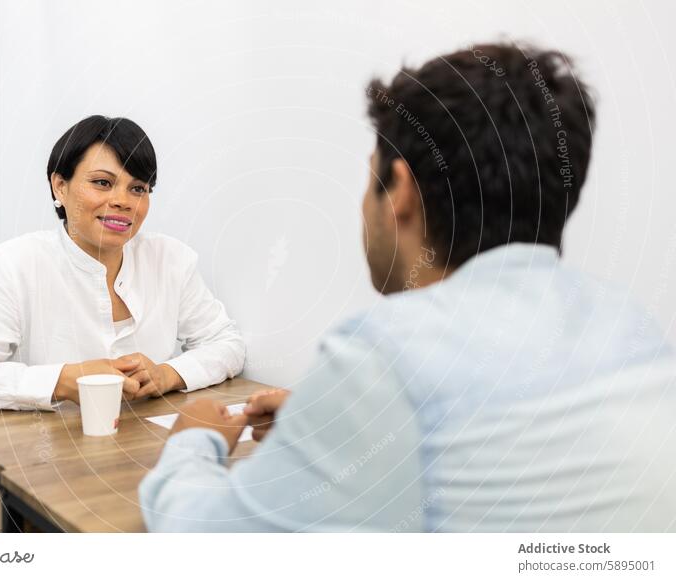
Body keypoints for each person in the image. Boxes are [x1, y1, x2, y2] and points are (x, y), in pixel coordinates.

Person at [138, 43, 676, 532]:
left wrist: (192, 440)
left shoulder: (385, 355)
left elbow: (198, 540)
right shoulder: (634, 328)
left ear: (399, 191)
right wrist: (333, 420)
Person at [0, 115, 245, 532]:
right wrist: (63, 380)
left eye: (138, 189)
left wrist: (168, 373)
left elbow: (226, 341)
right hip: (26, 473)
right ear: (59, 186)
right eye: (102, 182)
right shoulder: (14, 266)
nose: (123, 201)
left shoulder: (171, 260)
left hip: (143, 459)